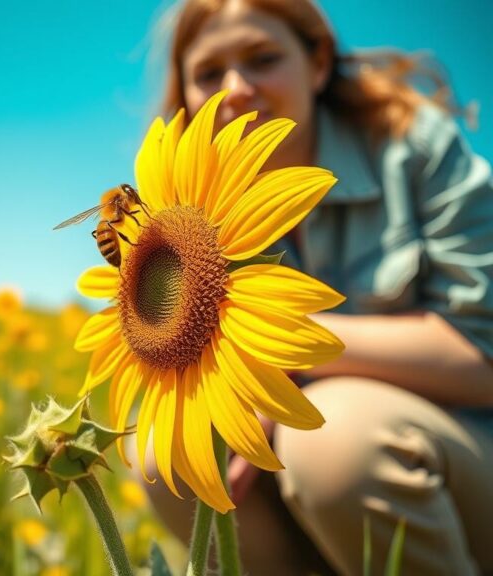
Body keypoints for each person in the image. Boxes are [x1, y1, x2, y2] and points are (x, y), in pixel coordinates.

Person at [141, 0, 493, 574]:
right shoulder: (187, 207)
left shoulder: (413, 149)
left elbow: (484, 358)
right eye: (208, 72)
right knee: (174, 452)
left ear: (319, 63)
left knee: (335, 441)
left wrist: (277, 355)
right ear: (184, 91)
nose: (235, 87)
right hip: (326, 507)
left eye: (263, 58)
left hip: (463, 462)